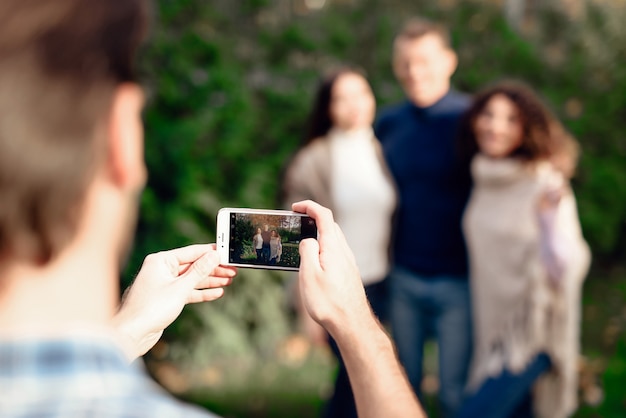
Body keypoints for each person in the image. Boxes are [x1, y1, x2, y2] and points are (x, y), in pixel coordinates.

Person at [0, 1, 426, 417]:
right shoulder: (315, 158)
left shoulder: (380, 147)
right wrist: (361, 331)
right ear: (122, 140)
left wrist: (128, 330)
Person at [455, 81, 591, 418]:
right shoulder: (484, 178)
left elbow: (568, 265)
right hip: (493, 332)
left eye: (511, 119)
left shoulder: (544, 182)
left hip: (534, 335)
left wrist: (547, 222)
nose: (495, 126)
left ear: (527, 128)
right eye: (488, 115)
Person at [282, 67, 397, 418]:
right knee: (356, 378)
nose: (355, 105)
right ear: (328, 107)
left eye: (361, 94)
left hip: (383, 284)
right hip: (339, 287)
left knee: (366, 378)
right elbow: (295, 241)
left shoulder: (383, 150)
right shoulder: (312, 162)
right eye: (342, 98)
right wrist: (306, 308)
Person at [374, 17, 473, 417]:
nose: (414, 72)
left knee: (453, 392)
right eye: (405, 63)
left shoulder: (473, 120)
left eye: (425, 61)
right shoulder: (389, 124)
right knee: (402, 386)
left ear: (449, 61)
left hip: (460, 278)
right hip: (404, 274)